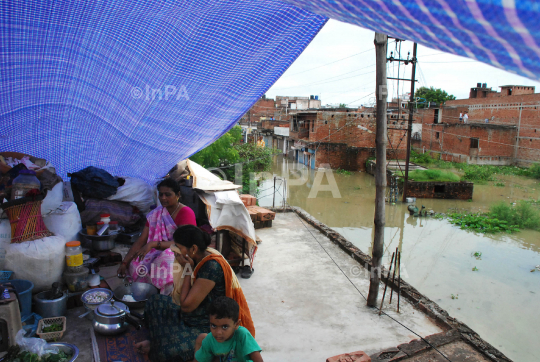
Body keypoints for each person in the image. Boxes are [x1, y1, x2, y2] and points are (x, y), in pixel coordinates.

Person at [134, 225, 255, 362]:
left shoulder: (211, 267)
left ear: (193, 249)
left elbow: (186, 306)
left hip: (206, 325)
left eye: (179, 247)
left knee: (165, 352)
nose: (176, 251)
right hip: (191, 316)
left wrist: (187, 268)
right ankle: (157, 342)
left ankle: (157, 344)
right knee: (154, 302)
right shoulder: (198, 257)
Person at [117, 178, 196, 294]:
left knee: (166, 260)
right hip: (158, 250)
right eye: (161, 194)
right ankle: (148, 291)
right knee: (136, 262)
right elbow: (141, 240)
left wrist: (154, 244)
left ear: (178, 195)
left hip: (181, 251)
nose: (163, 198)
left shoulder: (185, 212)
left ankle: (169, 295)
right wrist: (125, 262)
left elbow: (184, 243)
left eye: (168, 194)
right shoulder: (156, 214)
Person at [194, 297, 263, 362]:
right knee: (201, 338)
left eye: (224, 327)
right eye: (213, 326)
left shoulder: (242, 335)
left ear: (236, 324)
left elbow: (258, 360)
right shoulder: (209, 340)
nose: (218, 332)